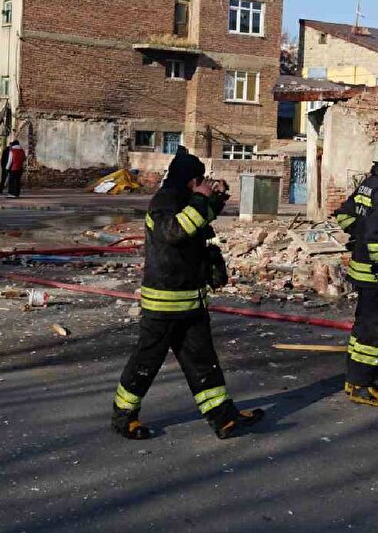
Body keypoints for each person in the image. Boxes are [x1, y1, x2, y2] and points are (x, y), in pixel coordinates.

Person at [111, 149, 265, 440]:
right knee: (146, 362)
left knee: (203, 361)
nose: (204, 184)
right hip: (165, 302)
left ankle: (223, 417)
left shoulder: (183, 200)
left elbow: (199, 222)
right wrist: (200, 199)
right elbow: (176, 231)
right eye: (201, 181)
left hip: (190, 300)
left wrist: (215, 200)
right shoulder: (164, 202)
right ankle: (123, 417)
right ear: (190, 181)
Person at [333, 132, 378, 407]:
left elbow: (342, 215)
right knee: (374, 332)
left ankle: (354, 378)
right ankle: (362, 386)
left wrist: (359, 232)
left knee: (362, 328)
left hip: (360, 271)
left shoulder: (368, 185)